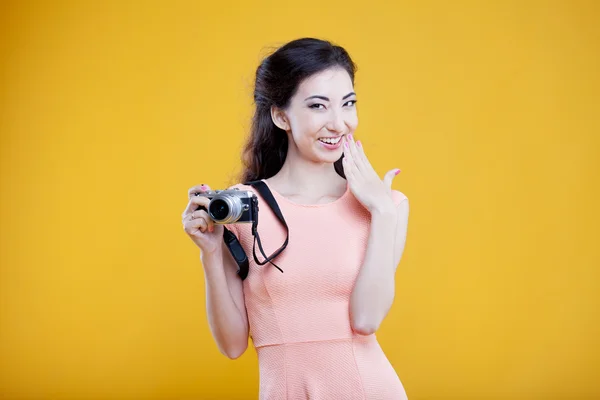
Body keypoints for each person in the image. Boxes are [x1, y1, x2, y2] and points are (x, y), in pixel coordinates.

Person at [182, 38, 410, 400]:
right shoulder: (242, 209)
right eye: (318, 106)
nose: (339, 123)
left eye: (348, 104)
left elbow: (366, 320)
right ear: (280, 115)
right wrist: (209, 253)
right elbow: (232, 345)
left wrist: (382, 212)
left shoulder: (388, 206)